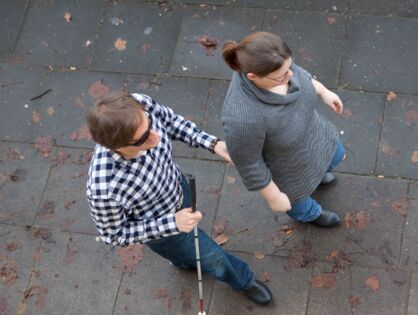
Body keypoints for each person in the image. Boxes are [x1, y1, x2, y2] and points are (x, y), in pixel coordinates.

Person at [85, 91, 272, 305]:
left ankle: (184, 261)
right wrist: (172, 223)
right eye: (144, 139)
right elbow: (114, 234)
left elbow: (170, 122)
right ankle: (244, 280)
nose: (156, 136)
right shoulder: (104, 189)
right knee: (213, 258)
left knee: (187, 255)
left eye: (150, 124)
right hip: (163, 229)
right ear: (117, 147)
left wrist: (212, 144)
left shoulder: (140, 104)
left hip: (179, 188)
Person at [221, 32, 346, 228]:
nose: (290, 76)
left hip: (315, 137)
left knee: (334, 156)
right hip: (289, 170)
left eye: (290, 68)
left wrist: (323, 91)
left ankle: (318, 175)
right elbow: (248, 163)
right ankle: (312, 214)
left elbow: (302, 75)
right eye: (282, 76)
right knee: (299, 202)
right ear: (253, 77)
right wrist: (274, 196)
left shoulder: (278, 66)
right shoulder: (243, 118)